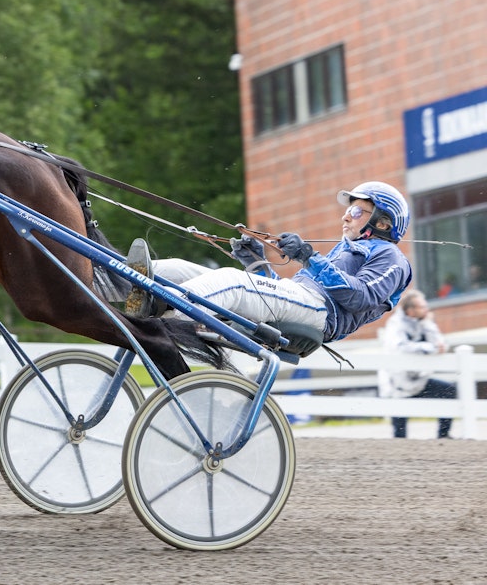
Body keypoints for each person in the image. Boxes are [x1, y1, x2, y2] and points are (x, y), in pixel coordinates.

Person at [126, 181, 414, 346]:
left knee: (231, 282)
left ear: (384, 222)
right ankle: (103, 285)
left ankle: (156, 313)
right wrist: (254, 260)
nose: (345, 216)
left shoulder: (392, 259)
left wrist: (308, 257)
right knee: (176, 268)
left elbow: (360, 297)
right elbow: (275, 294)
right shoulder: (346, 249)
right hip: (301, 300)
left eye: (356, 210)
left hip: (322, 315)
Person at [382, 290, 455, 439]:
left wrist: (428, 324)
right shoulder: (395, 324)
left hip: (420, 380)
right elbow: (401, 347)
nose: (426, 310)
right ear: (410, 311)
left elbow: (440, 345)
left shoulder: (424, 322)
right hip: (398, 384)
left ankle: (443, 436)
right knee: (400, 434)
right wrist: (430, 348)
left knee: (449, 390)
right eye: (422, 307)